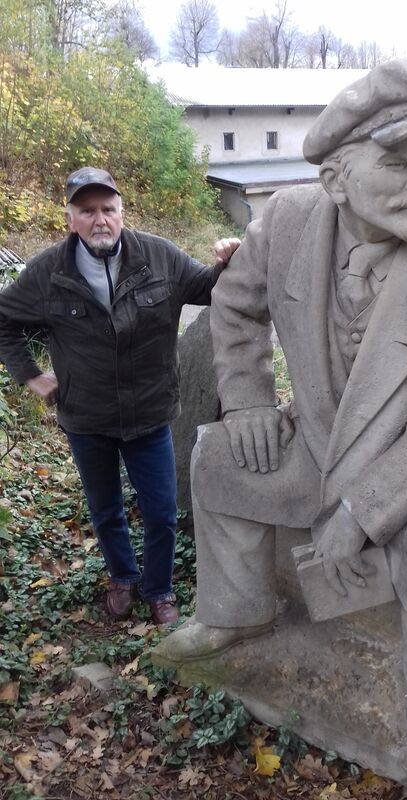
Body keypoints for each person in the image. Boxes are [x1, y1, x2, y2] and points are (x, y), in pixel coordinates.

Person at [158, 61, 407, 767]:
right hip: (325, 436)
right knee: (221, 455)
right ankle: (236, 613)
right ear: (336, 180)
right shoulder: (290, 219)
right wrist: (249, 401)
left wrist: (360, 510)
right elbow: (234, 307)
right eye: (398, 162)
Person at [0, 167, 240, 625]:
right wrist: (29, 374)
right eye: (86, 211)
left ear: (121, 212)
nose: (99, 220)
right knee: (106, 510)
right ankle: (122, 577)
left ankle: (160, 590)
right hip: (86, 418)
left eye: (107, 209)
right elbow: (4, 320)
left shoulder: (160, 257)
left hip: (149, 414)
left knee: (161, 512)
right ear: (70, 218)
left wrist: (229, 260)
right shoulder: (47, 271)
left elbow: (211, 289)